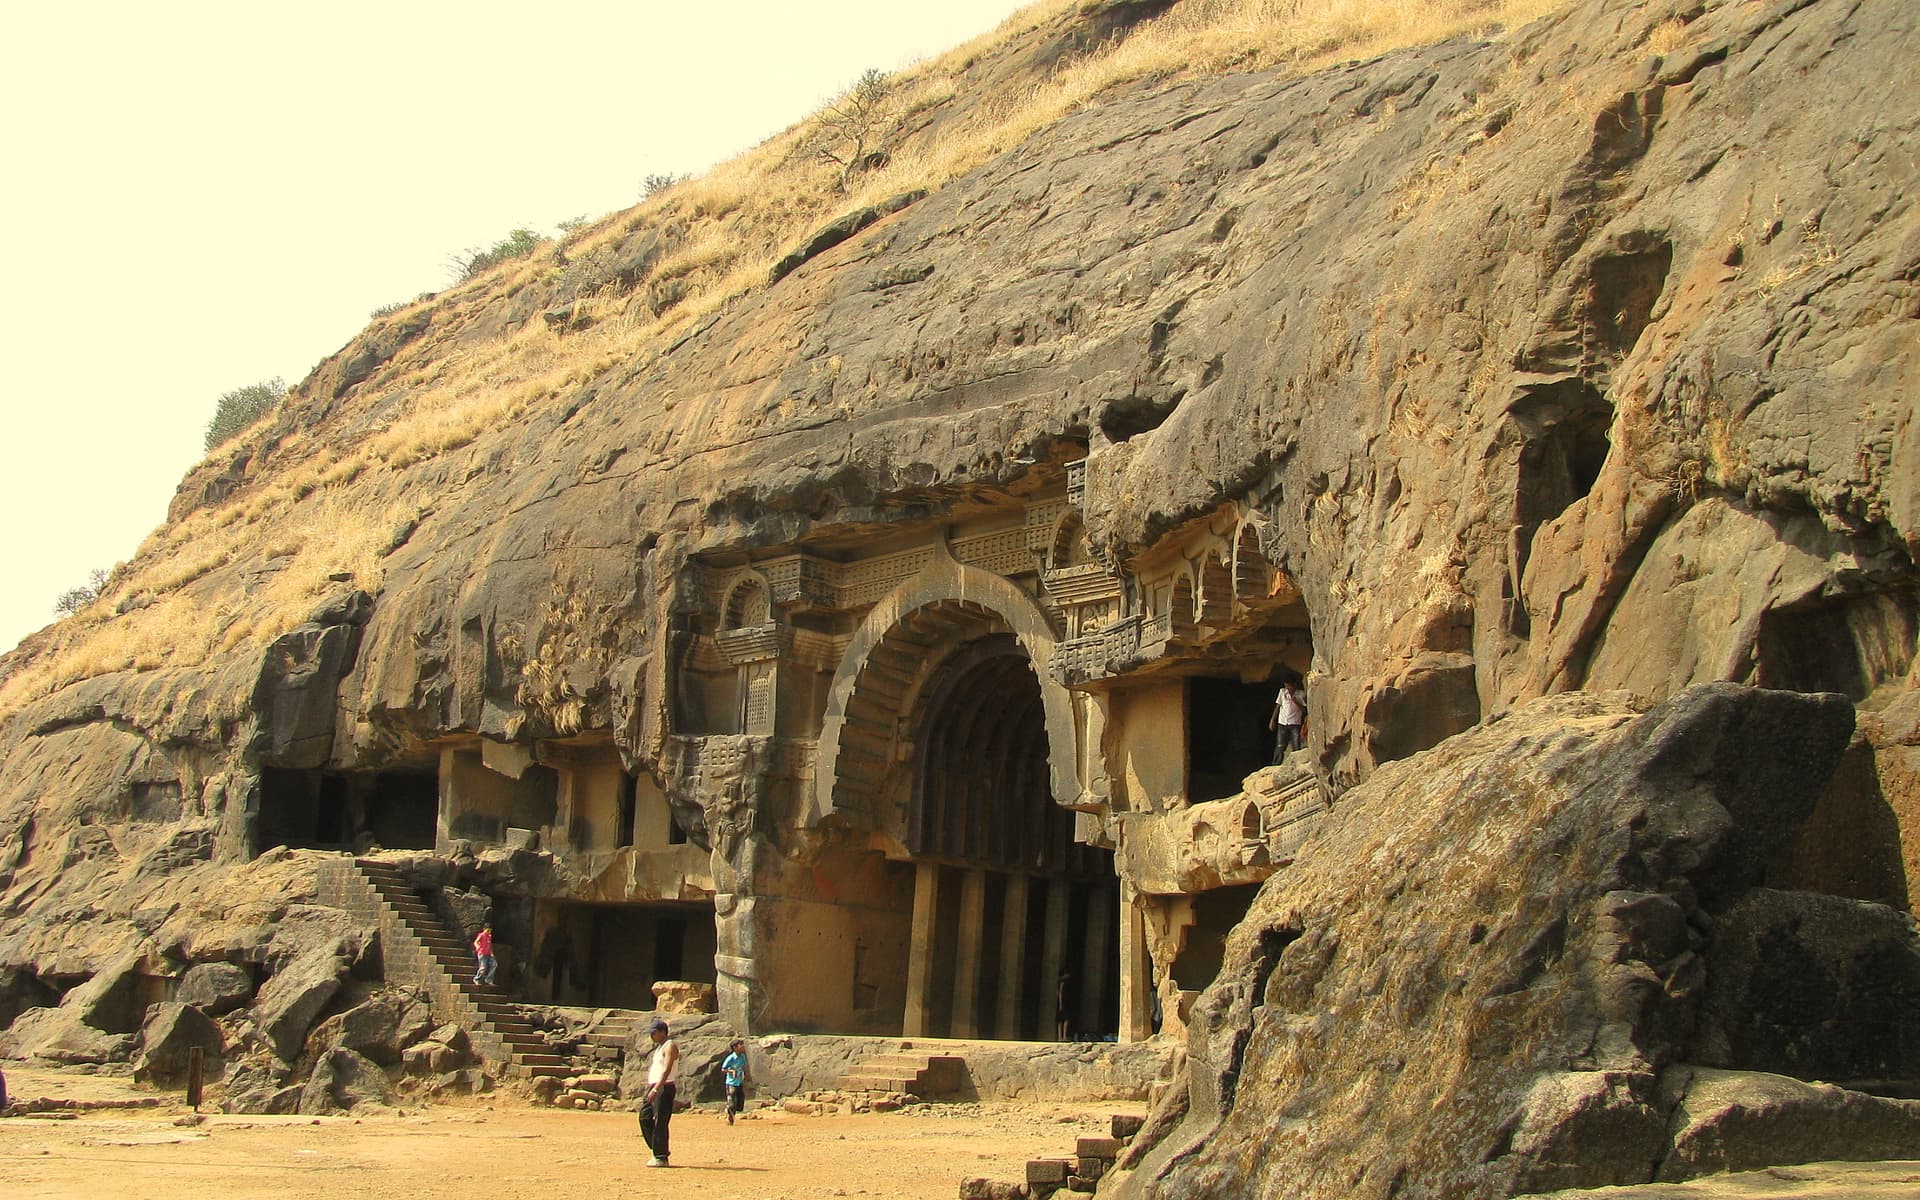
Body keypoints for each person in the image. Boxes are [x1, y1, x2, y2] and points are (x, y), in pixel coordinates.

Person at [639, 1018, 680, 1167]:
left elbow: (667, 1069)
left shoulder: (670, 1046)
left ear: (663, 1032)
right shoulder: (659, 1047)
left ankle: (661, 1156)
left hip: (664, 1087)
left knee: (660, 1121)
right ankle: (659, 1149)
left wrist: (657, 1088)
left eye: (654, 1033)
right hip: (655, 1086)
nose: (652, 1036)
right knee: (645, 1117)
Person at [1269, 676, 1307, 763]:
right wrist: (1272, 720)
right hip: (1282, 723)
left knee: (1296, 746)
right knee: (1280, 746)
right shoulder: (1282, 692)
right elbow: (1278, 706)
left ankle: (1297, 764)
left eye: (1289, 686)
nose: (1288, 688)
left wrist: (1296, 702)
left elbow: (1305, 710)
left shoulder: (1300, 694)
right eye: (1286, 686)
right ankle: (1275, 765)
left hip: (1295, 723)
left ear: (1294, 685)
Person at [721, 1037, 748, 1125]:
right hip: (731, 1083)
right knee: (732, 1101)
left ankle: (729, 1110)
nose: (742, 1046)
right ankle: (730, 1118)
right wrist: (731, 1071)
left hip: (739, 1082)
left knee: (740, 1101)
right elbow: (723, 1069)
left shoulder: (742, 1056)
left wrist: (746, 1076)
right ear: (735, 1047)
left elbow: (744, 1066)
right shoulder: (731, 1058)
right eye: (740, 1045)